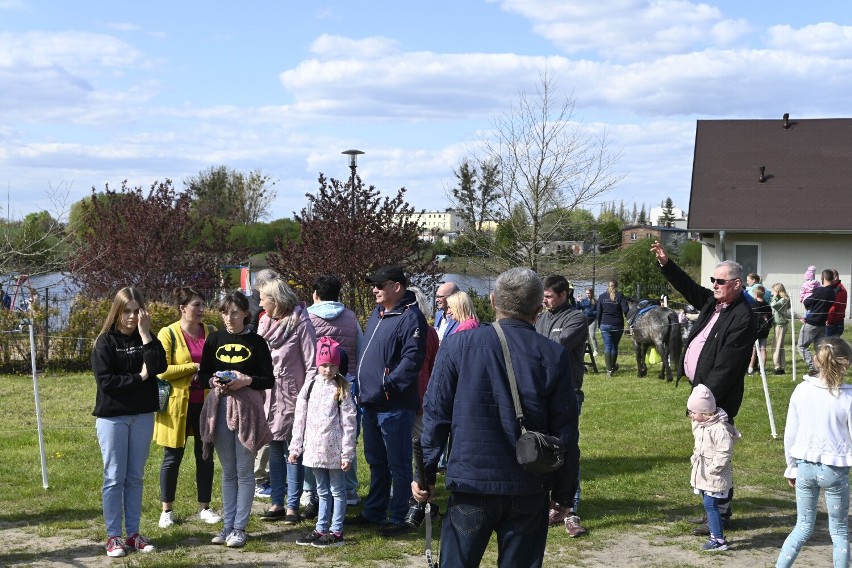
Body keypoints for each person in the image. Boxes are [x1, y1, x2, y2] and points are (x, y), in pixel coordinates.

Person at [413, 267, 580, 568]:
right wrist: (564, 492)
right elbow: (565, 432)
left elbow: (436, 416)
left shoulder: (457, 346)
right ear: (539, 309)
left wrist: (424, 476)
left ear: (492, 301)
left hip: (472, 483)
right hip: (527, 485)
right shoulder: (552, 355)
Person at [650, 240, 756, 535]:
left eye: (720, 281)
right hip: (701, 396)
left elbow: (726, 367)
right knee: (703, 457)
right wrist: (666, 264)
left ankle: (721, 517)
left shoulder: (742, 317)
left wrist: (703, 405)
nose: (714, 285)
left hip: (716, 402)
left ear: (736, 284)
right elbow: (688, 287)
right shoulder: (714, 302)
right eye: (713, 280)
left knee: (717, 459)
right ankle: (711, 511)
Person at [91, 287, 167, 557]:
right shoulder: (105, 342)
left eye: (137, 311)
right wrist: (139, 378)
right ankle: (113, 536)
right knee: (114, 477)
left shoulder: (146, 337)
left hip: (143, 415)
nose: (132, 316)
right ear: (117, 311)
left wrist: (146, 334)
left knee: (135, 476)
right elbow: (106, 382)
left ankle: (133, 534)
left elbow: (159, 365)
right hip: (113, 417)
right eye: (127, 311)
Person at [353, 265, 428, 536]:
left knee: (398, 463)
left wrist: (387, 385)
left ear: (397, 287)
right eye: (373, 285)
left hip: (393, 405)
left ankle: (398, 517)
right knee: (376, 461)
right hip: (371, 401)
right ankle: (374, 511)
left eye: (380, 285)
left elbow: (412, 360)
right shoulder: (378, 313)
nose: (374, 289)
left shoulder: (411, 317)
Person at [199, 291, 274, 548]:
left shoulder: (257, 342)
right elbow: (203, 374)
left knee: (244, 471)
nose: (229, 317)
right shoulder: (215, 339)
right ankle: (228, 525)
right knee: (228, 471)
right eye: (224, 312)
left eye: (233, 312)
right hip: (219, 408)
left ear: (245, 313)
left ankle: (240, 528)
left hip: (247, 411)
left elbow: (269, 379)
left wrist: (247, 381)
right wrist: (213, 380)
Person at [776, 337, 852, 567]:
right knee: (839, 532)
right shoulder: (848, 396)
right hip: (835, 471)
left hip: (805, 469)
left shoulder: (801, 390)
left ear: (817, 360)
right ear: (846, 363)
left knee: (802, 527)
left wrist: (791, 467)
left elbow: (791, 433)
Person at [154, 287, 220, 529]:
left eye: (203, 304)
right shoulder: (168, 333)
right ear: (183, 308)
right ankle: (167, 510)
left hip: (206, 405)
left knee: (205, 456)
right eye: (196, 305)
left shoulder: (211, 332)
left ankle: (205, 507)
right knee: (172, 457)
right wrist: (193, 367)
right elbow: (161, 370)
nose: (202, 309)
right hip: (176, 407)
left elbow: (217, 364)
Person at [256, 278, 317, 524]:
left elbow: (312, 364)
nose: (259, 302)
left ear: (275, 300)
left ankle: (293, 505)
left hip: (293, 396)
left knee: (293, 451)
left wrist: (305, 396)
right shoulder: (264, 321)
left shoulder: (301, 322)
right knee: (274, 448)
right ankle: (277, 503)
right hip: (269, 395)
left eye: (263, 298)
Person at [289, 337, 358, 548]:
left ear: (338, 366)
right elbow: (299, 419)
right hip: (314, 451)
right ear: (318, 364)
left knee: (337, 490)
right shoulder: (309, 388)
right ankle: (321, 529)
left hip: (335, 452)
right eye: (324, 365)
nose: (328, 370)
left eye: (332, 365)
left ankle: (336, 531)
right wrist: (295, 447)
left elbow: (349, 423)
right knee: (321, 491)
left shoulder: (342, 389)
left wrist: (347, 454)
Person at [534, 274, 589, 537]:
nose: (544, 301)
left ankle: (572, 509)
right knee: (542, 450)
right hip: (541, 393)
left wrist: (530, 346)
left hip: (568, 394)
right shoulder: (542, 317)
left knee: (568, 451)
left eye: (549, 296)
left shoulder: (576, 318)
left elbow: (556, 347)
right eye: (542, 296)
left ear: (564, 295)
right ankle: (548, 505)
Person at [307, 275, 363, 507]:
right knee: (346, 433)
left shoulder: (308, 317)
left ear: (315, 294)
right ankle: (348, 489)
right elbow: (360, 348)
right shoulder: (351, 317)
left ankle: (313, 491)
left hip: (317, 382)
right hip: (345, 382)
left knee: (314, 435)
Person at [687, 384, 740, 552]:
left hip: (715, 475)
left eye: (694, 413)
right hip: (704, 474)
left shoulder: (719, 429)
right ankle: (716, 536)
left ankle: (718, 539)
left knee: (711, 505)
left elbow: (724, 451)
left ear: (705, 412)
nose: (691, 416)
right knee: (708, 503)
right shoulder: (702, 425)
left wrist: (715, 468)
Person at [248, 268, 278, 499]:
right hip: (259, 378)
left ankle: (258, 476)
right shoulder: (260, 312)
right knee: (265, 429)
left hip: (256, 378)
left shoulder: (253, 307)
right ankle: (259, 478)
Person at [407, 286, 439, 441]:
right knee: (419, 443)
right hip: (422, 393)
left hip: (406, 394)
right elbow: (434, 367)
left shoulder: (429, 333)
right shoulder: (431, 332)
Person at [798, 270, 836, 375]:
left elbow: (806, 301)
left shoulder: (820, 291)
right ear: (832, 278)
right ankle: (823, 368)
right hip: (822, 323)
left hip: (812, 322)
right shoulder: (832, 292)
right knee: (819, 348)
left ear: (822, 277)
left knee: (801, 346)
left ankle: (814, 368)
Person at [596, 279, 628, 376]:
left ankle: (609, 369)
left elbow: (598, 312)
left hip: (605, 324)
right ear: (617, 286)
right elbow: (626, 309)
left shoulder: (601, 297)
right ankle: (612, 366)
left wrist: (599, 325)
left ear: (608, 286)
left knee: (608, 346)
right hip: (618, 324)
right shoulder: (620, 296)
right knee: (614, 346)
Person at [748, 286, 772, 375]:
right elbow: (770, 318)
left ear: (756, 294)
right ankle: (762, 369)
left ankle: (750, 368)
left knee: (754, 349)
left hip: (755, 329)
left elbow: (749, 317)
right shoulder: (767, 305)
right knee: (763, 349)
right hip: (765, 329)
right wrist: (768, 326)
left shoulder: (753, 305)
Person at [770, 283, 791, 375]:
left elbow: (773, 305)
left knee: (776, 346)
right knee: (780, 346)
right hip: (779, 324)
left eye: (773, 291)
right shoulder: (784, 299)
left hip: (780, 325)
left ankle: (777, 367)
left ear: (777, 291)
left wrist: (775, 297)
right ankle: (781, 366)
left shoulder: (783, 300)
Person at [825, 269, 847, 337]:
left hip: (834, 323)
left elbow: (834, 307)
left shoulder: (839, 289)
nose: (828, 279)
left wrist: (829, 321)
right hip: (837, 321)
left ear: (835, 277)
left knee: (828, 344)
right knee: (834, 345)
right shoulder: (838, 288)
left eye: (830, 277)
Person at [577, 287, 598, 356]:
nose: (587, 294)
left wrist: (592, 313)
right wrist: (578, 301)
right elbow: (578, 308)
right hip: (585, 320)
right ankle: (586, 350)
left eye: (589, 293)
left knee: (592, 335)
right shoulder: (583, 301)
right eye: (586, 293)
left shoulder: (595, 301)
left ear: (591, 293)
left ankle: (595, 350)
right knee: (585, 335)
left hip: (592, 320)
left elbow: (598, 311)